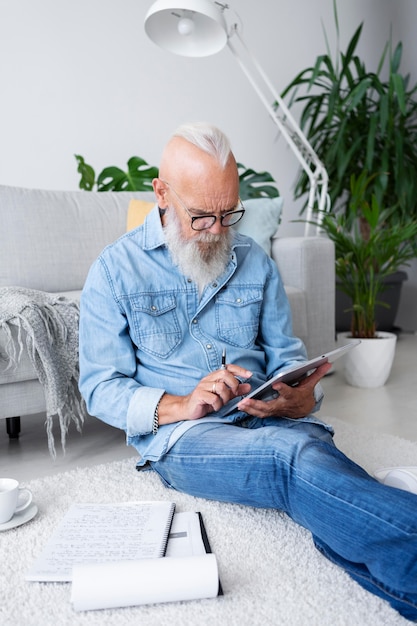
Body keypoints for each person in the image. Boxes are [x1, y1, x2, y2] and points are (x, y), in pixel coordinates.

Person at [79, 122, 417, 621]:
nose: (218, 230)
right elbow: (99, 387)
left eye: (228, 212)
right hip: (186, 435)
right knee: (291, 456)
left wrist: (303, 397)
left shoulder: (255, 261)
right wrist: (178, 404)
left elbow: (285, 355)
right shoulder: (114, 270)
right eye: (200, 217)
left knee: (308, 462)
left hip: (270, 415)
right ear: (162, 193)